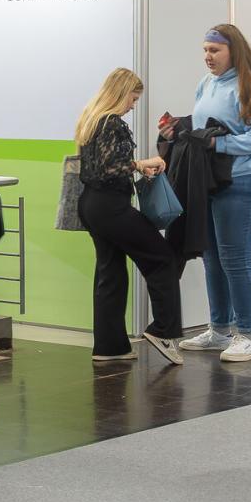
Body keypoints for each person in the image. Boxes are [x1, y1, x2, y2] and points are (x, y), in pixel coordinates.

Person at [173, 25, 251, 363]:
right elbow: (205, 122)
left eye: (215, 50)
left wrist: (220, 143)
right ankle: (219, 330)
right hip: (211, 180)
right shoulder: (206, 84)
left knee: (235, 259)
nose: (208, 56)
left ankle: (248, 335)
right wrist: (182, 127)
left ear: (233, 51)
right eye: (205, 50)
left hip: (246, 182)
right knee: (212, 258)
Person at [74, 68, 184, 367]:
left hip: (91, 205)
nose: (133, 105)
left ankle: (109, 347)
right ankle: (163, 330)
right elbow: (110, 168)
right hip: (111, 206)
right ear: (121, 93)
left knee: (110, 272)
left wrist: (136, 167)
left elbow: (98, 167)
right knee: (162, 258)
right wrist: (141, 163)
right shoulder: (112, 123)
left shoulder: (90, 119)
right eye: (133, 98)